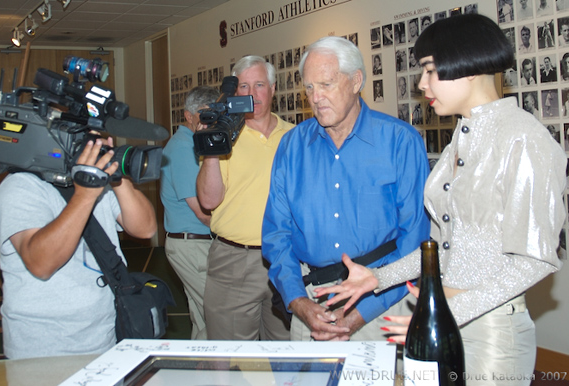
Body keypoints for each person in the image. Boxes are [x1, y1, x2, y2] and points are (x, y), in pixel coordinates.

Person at [317, 14, 566, 385]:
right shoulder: (459, 141)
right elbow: (442, 249)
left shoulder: (523, 139)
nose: (421, 84)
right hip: (439, 313)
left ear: (466, 65)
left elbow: (534, 260)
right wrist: (377, 278)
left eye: (430, 70)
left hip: (490, 332)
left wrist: (446, 310)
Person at [262, 36, 430, 342]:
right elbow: (276, 236)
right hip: (313, 306)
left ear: (356, 81)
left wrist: (358, 315)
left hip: (383, 303)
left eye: (326, 84)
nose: (316, 97)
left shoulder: (400, 142)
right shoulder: (292, 147)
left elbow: (415, 239)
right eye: (309, 88)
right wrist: (298, 302)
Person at [0, 135, 158, 359]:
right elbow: (42, 263)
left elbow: (145, 228)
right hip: (44, 350)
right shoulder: (20, 186)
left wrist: (117, 174)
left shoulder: (101, 184)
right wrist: (85, 194)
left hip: (104, 338)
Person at [196, 55, 293, 341]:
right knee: (230, 360)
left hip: (285, 259)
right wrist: (212, 151)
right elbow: (209, 201)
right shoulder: (224, 137)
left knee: (287, 355)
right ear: (234, 93)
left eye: (259, 84)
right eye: (243, 87)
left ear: (273, 89)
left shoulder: (295, 136)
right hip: (234, 261)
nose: (251, 94)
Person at [160, 86, 219, 340]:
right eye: (203, 116)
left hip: (194, 243)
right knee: (217, 316)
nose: (209, 122)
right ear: (188, 116)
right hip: (191, 244)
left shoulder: (194, 145)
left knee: (202, 318)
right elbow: (202, 212)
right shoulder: (183, 149)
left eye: (213, 115)